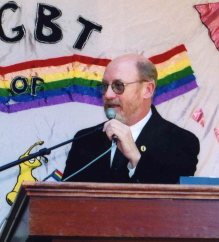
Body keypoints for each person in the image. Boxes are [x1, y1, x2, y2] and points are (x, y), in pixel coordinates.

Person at [62, 54, 200, 184]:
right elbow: (66, 202)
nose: (108, 95)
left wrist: (136, 158)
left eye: (118, 86)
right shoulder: (85, 140)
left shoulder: (181, 141)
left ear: (147, 90)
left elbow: (173, 203)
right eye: (105, 86)